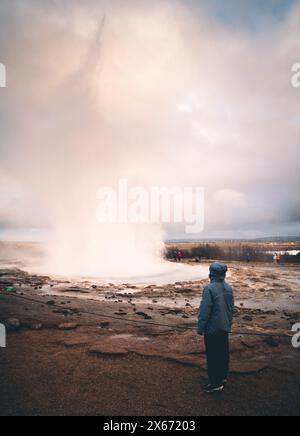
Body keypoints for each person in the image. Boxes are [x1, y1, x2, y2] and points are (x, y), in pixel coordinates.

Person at [198, 263, 235, 394]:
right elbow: (231, 310)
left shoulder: (209, 289)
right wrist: (228, 324)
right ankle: (223, 378)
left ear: (211, 274)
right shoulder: (229, 288)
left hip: (212, 329)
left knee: (213, 356)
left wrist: (200, 327)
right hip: (224, 327)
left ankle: (215, 383)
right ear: (223, 274)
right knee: (223, 354)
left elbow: (205, 310)